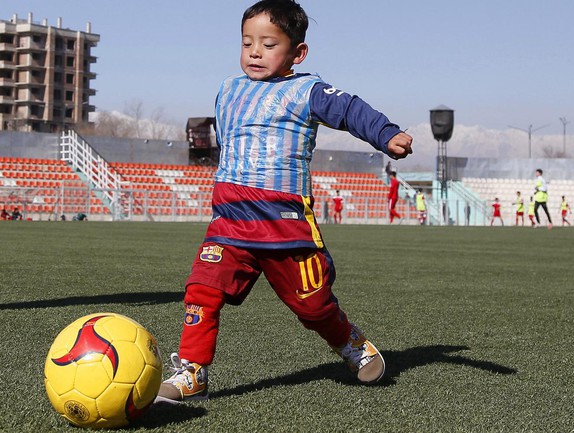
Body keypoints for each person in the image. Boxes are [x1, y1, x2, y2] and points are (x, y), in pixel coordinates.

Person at [156, 0, 413, 404]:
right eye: (247, 43)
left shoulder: (306, 90)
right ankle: (192, 371)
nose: (255, 52)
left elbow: (349, 110)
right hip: (231, 219)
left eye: (269, 44)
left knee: (312, 306)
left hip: (283, 223)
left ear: (297, 52)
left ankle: (347, 340)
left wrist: (385, 133)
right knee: (201, 289)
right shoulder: (228, 88)